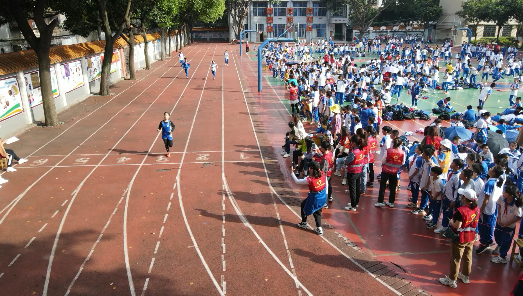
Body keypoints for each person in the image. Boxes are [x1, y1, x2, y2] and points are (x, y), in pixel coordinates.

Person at [439, 188, 480, 289]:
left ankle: (452, 279)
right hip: (471, 236)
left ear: (464, 198)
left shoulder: (461, 211)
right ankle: (465, 275)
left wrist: (450, 222)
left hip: (460, 238)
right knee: (467, 257)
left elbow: (457, 225)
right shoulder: (476, 208)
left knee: (456, 258)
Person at [293, 161, 327, 235]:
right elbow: (326, 184)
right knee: (317, 211)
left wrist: (291, 172)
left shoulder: (310, 179)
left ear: (311, 169)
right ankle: (319, 228)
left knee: (305, 207)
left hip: (314, 197)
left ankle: (304, 223)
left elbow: (297, 181)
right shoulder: (323, 174)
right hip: (322, 196)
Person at [476, 166, 505, 254]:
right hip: (491, 208)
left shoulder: (490, 183)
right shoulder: (497, 181)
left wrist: (481, 210)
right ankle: (488, 239)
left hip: (486, 209)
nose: (490, 169)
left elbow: (486, 199)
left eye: (492, 169)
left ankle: (484, 242)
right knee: (488, 225)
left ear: (494, 173)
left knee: (484, 225)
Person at [491, 185, 523, 264]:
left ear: (511, 196)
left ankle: (502, 257)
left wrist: (507, 223)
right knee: (497, 235)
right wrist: (499, 218)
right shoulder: (502, 198)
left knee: (506, 241)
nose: (503, 193)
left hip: (509, 227)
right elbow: (499, 206)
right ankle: (499, 246)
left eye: (505, 192)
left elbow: (519, 217)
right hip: (500, 223)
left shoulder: (516, 205)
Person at [375, 137, 405, 208]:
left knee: (383, 186)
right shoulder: (402, 152)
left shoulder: (388, 151)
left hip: (386, 170)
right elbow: (403, 162)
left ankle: (380, 201)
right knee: (392, 187)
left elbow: (383, 160)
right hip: (395, 172)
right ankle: (391, 202)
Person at [344, 135, 366, 211]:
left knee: (352, 189)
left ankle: (353, 206)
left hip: (352, 172)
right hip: (359, 171)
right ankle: (355, 203)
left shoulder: (353, 153)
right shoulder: (361, 150)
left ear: (353, 143)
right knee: (357, 188)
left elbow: (347, 162)